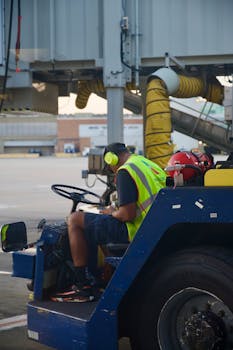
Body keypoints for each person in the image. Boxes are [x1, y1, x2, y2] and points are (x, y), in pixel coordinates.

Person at [51, 142, 167, 302]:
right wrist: (113, 209)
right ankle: (101, 276)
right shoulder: (144, 163)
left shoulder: (125, 171)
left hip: (136, 230)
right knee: (98, 223)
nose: (111, 171)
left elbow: (127, 214)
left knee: (75, 220)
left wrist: (113, 212)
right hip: (156, 226)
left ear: (111, 159)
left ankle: (83, 285)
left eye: (109, 166)